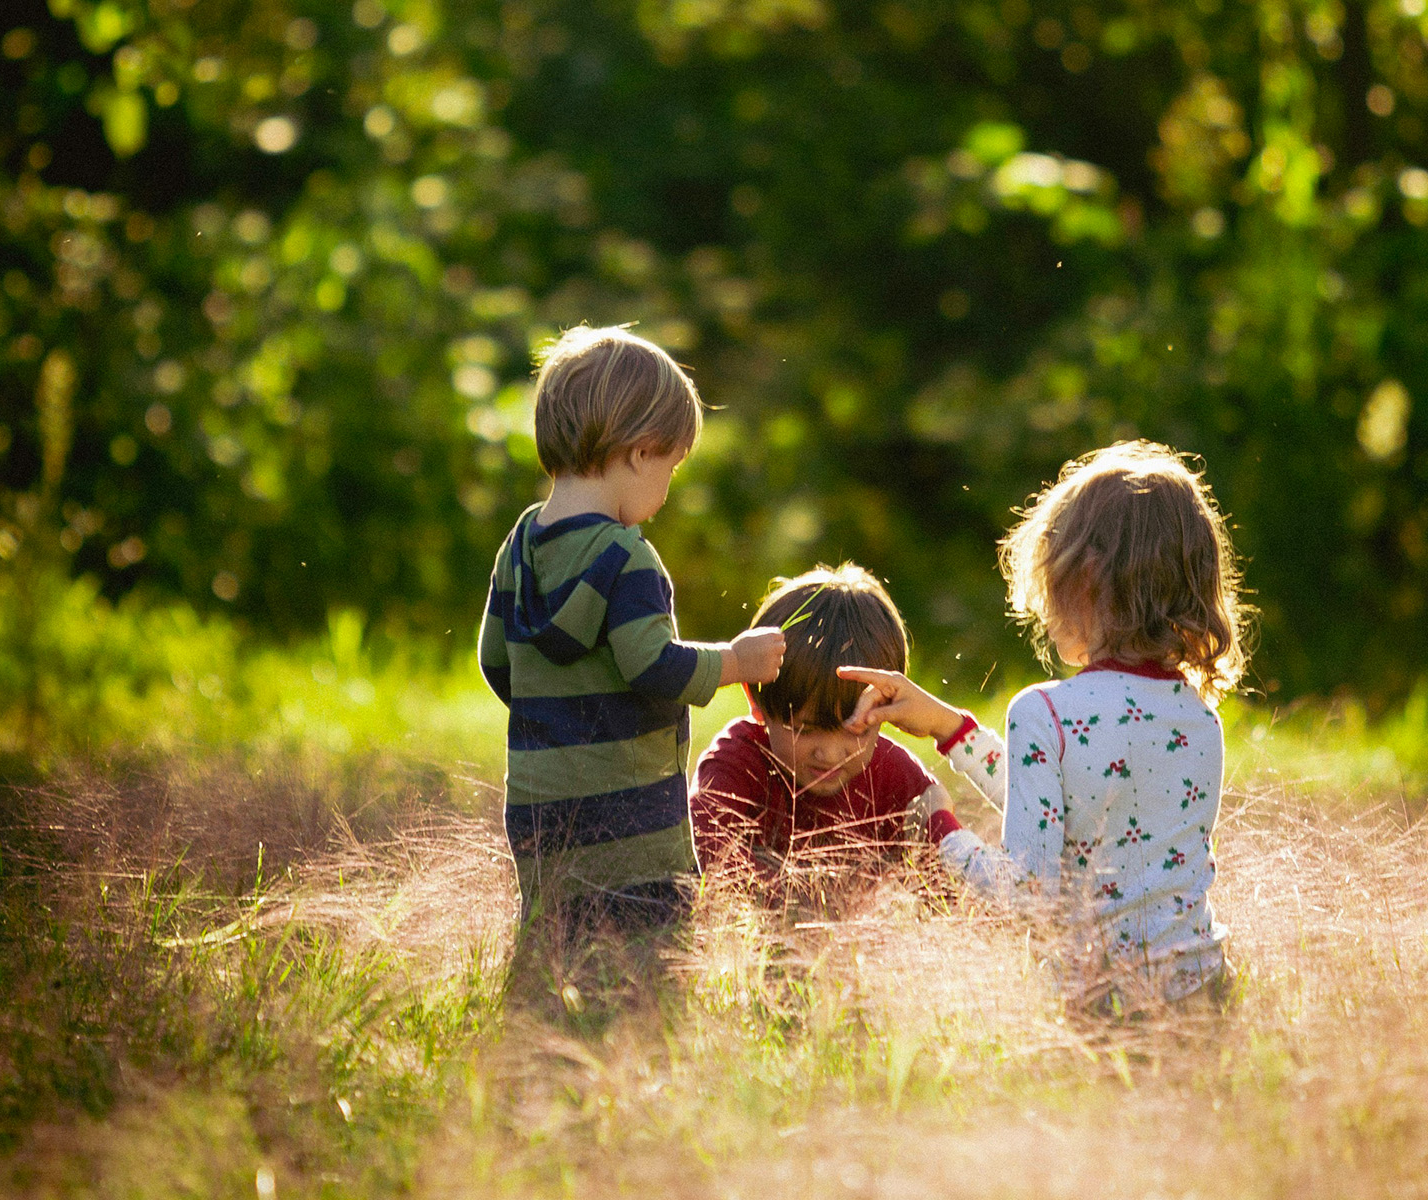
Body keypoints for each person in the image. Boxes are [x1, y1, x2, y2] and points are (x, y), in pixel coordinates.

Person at [839, 441, 1250, 1003]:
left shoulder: (1045, 712)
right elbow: (1077, 802)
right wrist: (948, 728)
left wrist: (939, 832)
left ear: (1082, 577)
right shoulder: (1199, 719)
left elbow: (1027, 897)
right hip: (1204, 996)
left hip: (1103, 1014)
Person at [479, 326, 785, 936]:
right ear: (641, 452)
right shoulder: (626, 556)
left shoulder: (519, 546)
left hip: (540, 805)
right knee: (649, 952)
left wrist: (557, 723)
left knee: (556, 937)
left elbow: (496, 662)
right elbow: (654, 667)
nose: (666, 489)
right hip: (629, 815)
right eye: (670, 468)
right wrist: (736, 661)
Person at [690, 565, 954, 891]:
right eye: (806, 729)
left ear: (885, 709)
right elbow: (718, 875)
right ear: (756, 698)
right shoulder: (736, 768)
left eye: (856, 730)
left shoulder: (896, 779)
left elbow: (954, 887)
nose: (829, 753)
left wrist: (937, 816)